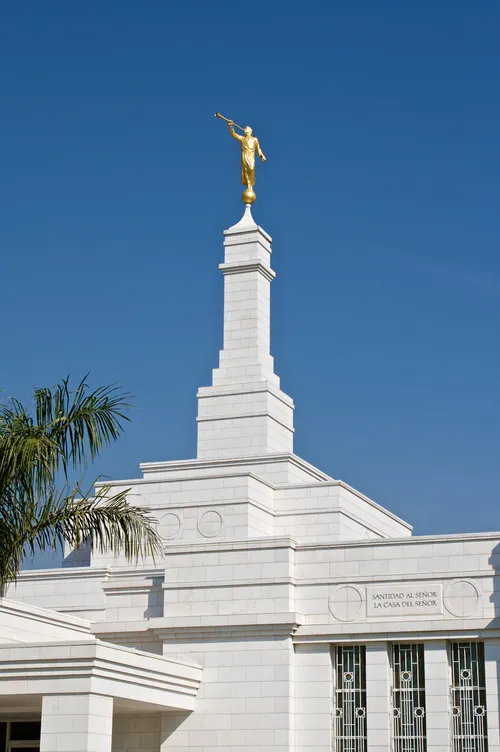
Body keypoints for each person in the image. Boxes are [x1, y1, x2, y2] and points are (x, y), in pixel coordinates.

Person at [228, 121, 266, 190]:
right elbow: (233, 134)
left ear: (250, 131)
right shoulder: (242, 139)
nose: (245, 129)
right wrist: (230, 126)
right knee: (246, 169)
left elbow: (258, 148)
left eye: (246, 128)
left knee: (251, 168)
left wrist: (262, 156)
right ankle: (249, 185)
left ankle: (251, 183)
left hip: (251, 155)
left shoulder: (254, 139)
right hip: (245, 154)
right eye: (245, 128)